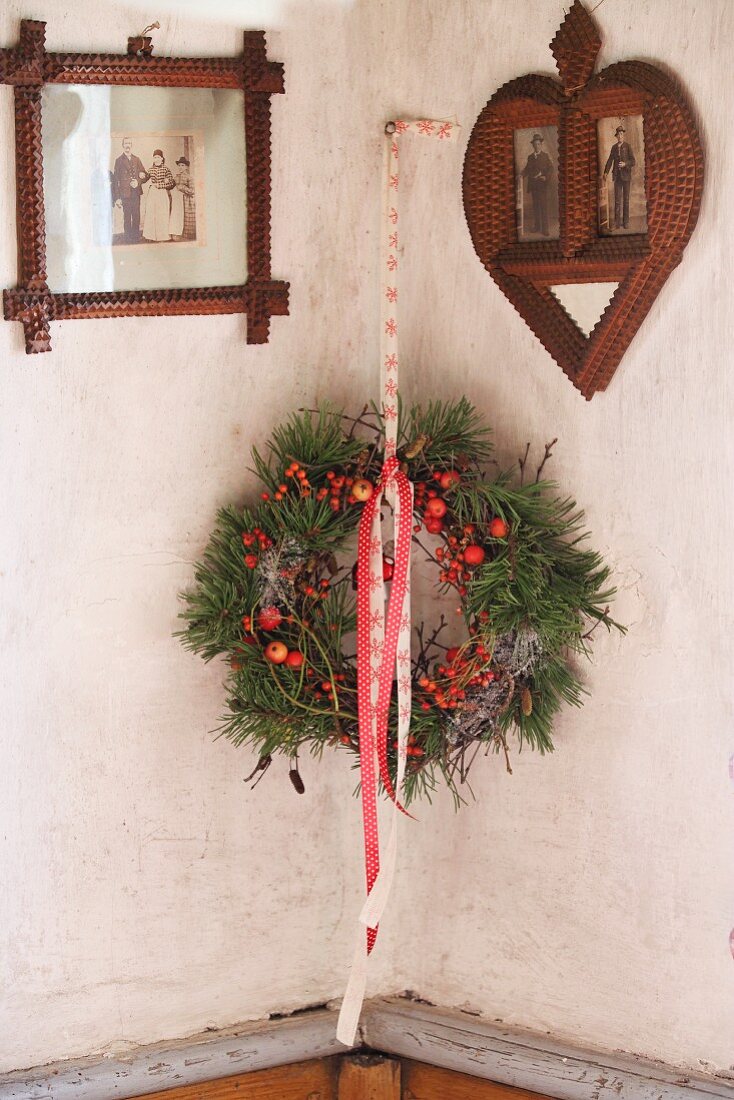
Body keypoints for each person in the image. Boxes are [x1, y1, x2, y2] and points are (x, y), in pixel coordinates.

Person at [112, 137, 149, 243]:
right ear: (123, 145)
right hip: (125, 194)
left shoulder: (137, 159)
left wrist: (138, 181)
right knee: (127, 217)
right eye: (125, 143)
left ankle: (135, 238)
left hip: (136, 193)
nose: (127, 145)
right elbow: (116, 180)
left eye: (129, 143)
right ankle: (128, 239)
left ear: (131, 145)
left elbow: (145, 175)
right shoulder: (119, 160)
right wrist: (117, 198)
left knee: (136, 216)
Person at [603, 125, 636, 230]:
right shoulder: (613, 147)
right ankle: (617, 223)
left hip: (626, 176)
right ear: (616, 136)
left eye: (622, 134)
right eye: (619, 134)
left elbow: (633, 161)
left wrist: (625, 164)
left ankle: (626, 222)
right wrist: (605, 172)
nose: (620, 136)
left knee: (626, 200)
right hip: (617, 177)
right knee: (617, 200)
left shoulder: (628, 146)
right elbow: (609, 160)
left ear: (623, 135)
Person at [522, 133, 553, 236]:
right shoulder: (530, 157)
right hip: (533, 186)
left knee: (543, 207)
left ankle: (545, 229)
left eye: (538, 144)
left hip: (542, 185)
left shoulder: (545, 156)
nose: (537, 146)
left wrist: (546, 177)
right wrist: (520, 175)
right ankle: (537, 226)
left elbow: (551, 169)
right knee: (535, 207)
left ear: (541, 145)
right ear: (533, 145)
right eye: (535, 144)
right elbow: (526, 169)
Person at [142, 149, 177, 242]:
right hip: (152, 193)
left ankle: (163, 236)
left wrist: (160, 185)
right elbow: (144, 179)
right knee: (151, 213)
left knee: (162, 213)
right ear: (153, 159)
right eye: (155, 157)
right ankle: (150, 236)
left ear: (162, 158)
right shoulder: (150, 169)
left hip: (162, 193)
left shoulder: (166, 169)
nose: (156, 159)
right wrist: (141, 176)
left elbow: (172, 183)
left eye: (158, 157)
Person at [170, 156, 196, 241]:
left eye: (183, 165)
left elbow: (192, 191)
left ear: (186, 167)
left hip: (186, 201)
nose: (180, 167)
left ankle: (186, 235)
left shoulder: (190, 177)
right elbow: (171, 185)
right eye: (179, 165)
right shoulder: (176, 177)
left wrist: (182, 187)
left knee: (186, 218)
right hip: (177, 201)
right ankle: (176, 233)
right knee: (177, 216)